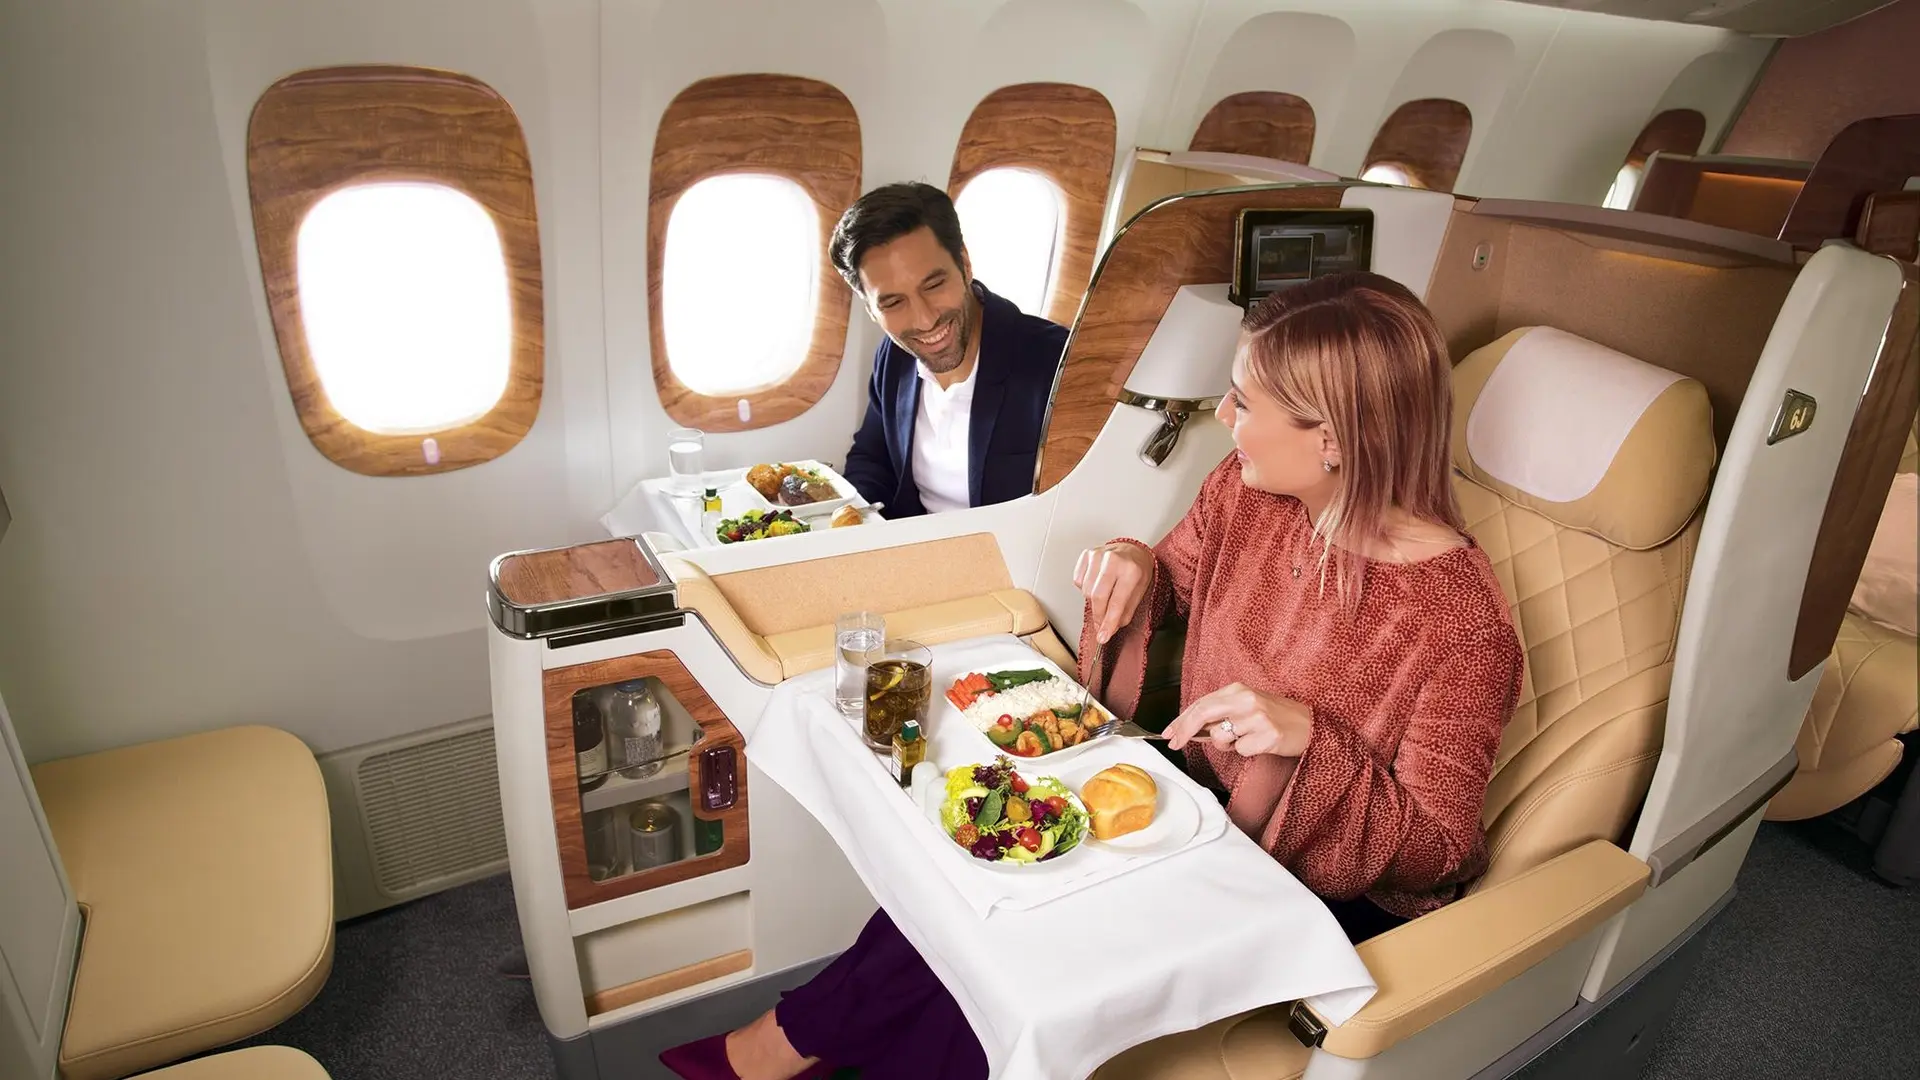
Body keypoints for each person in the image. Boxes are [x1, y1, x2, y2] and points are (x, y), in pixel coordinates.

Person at [660, 272, 1525, 1080]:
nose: (1222, 415)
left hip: (1304, 888)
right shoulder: (1253, 490)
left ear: (1334, 439)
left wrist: (1309, 740)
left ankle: (777, 1054)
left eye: (1245, 400)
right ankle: (783, 1046)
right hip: (1201, 801)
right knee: (978, 878)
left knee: (1024, 949)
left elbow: (1440, 850)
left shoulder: (1459, 619)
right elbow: (1179, 567)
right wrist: (1132, 565)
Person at [831, 182, 1070, 518]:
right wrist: (855, 523)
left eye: (934, 284)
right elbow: (873, 458)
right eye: (894, 302)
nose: (925, 319)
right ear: (871, 310)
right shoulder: (894, 355)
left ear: (965, 263)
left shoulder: (1057, 362)